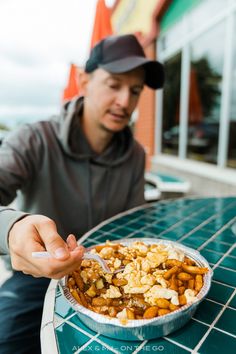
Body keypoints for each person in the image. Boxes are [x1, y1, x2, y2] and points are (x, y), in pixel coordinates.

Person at [0, 34, 164, 354]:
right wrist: (11, 229)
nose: (124, 102)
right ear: (84, 80)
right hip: (38, 277)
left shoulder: (133, 154)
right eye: (114, 84)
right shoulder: (33, 139)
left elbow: (136, 225)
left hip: (113, 273)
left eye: (134, 91)